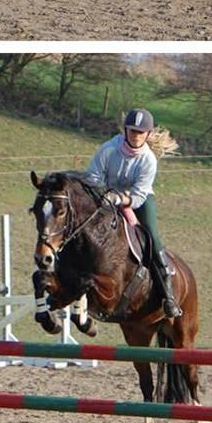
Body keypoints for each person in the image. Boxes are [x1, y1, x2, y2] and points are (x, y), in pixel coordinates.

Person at [86, 108, 182, 319]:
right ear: (125, 130)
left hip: (138, 200)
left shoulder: (148, 160)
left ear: (147, 134)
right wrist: (106, 194)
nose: (135, 136)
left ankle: (168, 294)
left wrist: (121, 199)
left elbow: (139, 195)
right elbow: (92, 176)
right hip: (106, 196)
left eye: (140, 132)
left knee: (152, 237)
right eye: (132, 131)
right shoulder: (109, 149)